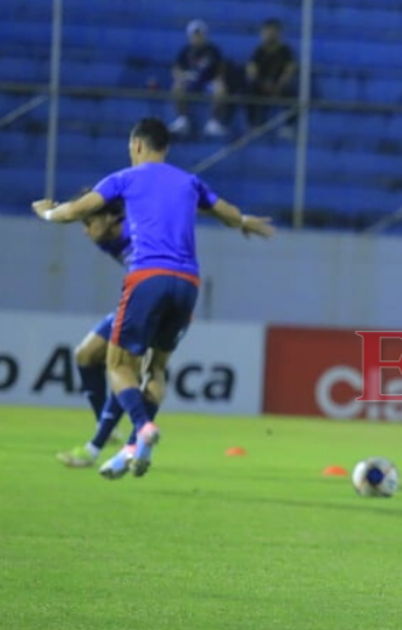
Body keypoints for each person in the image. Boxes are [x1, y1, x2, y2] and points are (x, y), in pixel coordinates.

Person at [31, 118, 275, 480]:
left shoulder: (125, 180)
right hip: (188, 282)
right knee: (155, 369)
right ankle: (130, 446)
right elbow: (225, 212)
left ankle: (139, 427)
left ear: (136, 145)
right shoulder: (188, 182)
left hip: (148, 278)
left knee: (118, 366)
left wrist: (48, 213)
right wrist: (243, 221)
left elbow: (78, 209)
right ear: (166, 149)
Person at [55, 199, 135, 469]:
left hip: (155, 300)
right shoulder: (108, 240)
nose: (85, 230)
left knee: (123, 369)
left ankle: (99, 444)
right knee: (85, 355)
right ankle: (108, 427)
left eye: (88, 222)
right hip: (136, 301)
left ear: (110, 218)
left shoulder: (137, 229)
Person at [170, 20, 228, 138]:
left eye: (199, 34)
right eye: (194, 35)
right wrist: (181, 77)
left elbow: (221, 68)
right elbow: (176, 69)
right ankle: (182, 119)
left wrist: (218, 79)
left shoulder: (213, 50)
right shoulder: (185, 51)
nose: (197, 37)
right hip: (190, 81)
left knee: (221, 88)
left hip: (208, 82)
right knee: (177, 86)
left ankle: (213, 122)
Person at [246, 18, 298, 131]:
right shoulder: (259, 51)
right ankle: (253, 123)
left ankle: (289, 125)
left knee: (292, 94)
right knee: (249, 91)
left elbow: (290, 69)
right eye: (267, 31)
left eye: (273, 31)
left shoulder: (285, 51)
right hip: (262, 85)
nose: (269, 34)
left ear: (278, 33)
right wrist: (262, 83)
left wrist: (279, 85)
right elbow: (251, 70)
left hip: (280, 86)